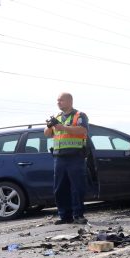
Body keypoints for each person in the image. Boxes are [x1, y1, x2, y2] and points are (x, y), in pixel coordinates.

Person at [44, 92, 89, 225]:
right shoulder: (57, 117)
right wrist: (49, 125)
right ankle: (64, 216)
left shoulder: (79, 115)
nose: (58, 103)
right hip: (59, 157)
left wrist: (62, 127)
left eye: (61, 100)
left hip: (75, 156)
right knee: (59, 188)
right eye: (57, 101)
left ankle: (78, 215)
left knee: (77, 187)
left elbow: (83, 131)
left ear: (69, 101)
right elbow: (47, 134)